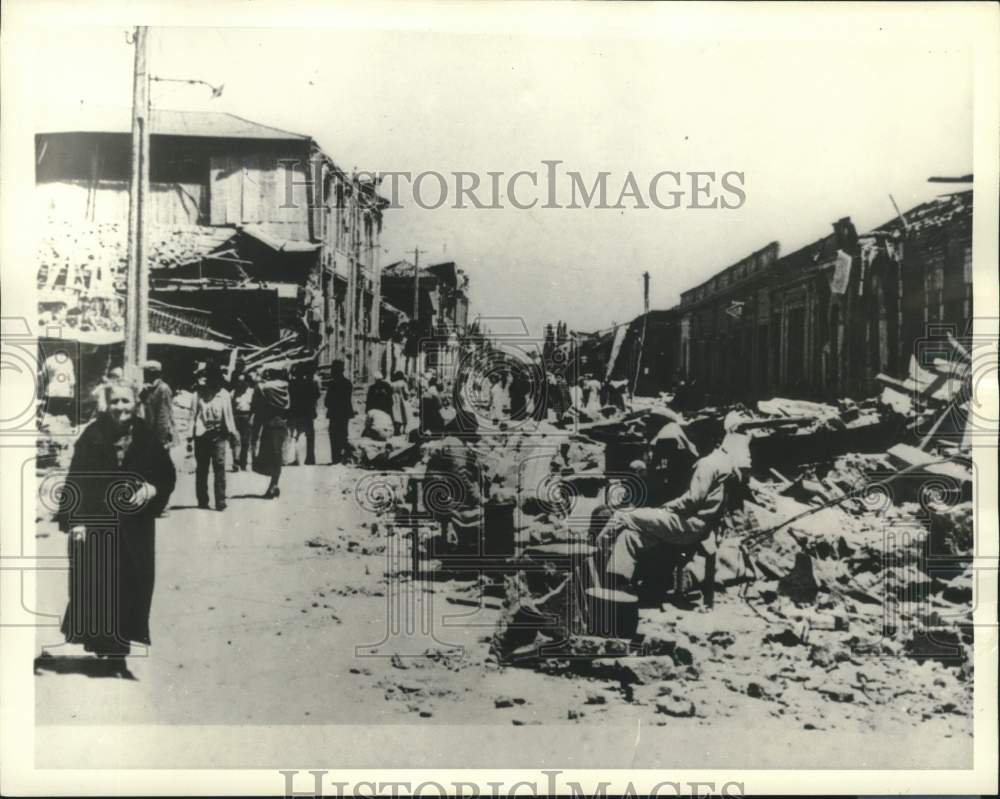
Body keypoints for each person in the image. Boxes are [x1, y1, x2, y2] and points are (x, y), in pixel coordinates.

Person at [56, 379, 176, 676]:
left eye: (125, 401)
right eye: (115, 401)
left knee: (131, 583)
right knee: (98, 584)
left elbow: (166, 474)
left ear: (135, 403)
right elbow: (76, 481)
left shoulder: (147, 436)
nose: (120, 407)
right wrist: (76, 521)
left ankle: (117, 648)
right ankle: (105, 645)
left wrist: (151, 489)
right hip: (98, 523)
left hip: (135, 526)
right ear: (106, 405)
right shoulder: (92, 435)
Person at [597, 432, 753, 608]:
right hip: (699, 526)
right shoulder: (726, 464)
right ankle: (620, 584)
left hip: (688, 525)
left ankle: (596, 553)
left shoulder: (708, 464)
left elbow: (692, 500)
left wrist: (667, 507)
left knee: (623, 515)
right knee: (630, 535)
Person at [190, 364, 237, 512]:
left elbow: (229, 417)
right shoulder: (197, 395)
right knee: (202, 468)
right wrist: (189, 438)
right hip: (202, 436)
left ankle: (220, 501)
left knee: (219, 467)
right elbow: (192, 417)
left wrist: (232, 434)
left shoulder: (224, 395)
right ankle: (202, 500)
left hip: (219, 435)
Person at [252, 365, 290, 498]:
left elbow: (256, 403)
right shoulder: (285, 386)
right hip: (282, 422)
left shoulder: (266, 387)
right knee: (277, 454)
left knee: (270, 455)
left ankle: (273, 486)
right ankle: (274, 484)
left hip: (269, 423)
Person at [288, 362, 321, 465]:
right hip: (307, 412)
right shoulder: (310, 384)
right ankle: (309, 458)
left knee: (293, 435)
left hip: (294, 412)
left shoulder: (291, 384)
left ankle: (294, 458)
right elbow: (317, 395)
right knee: (309, 435)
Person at [325, 359, 355, 464]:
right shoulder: (348, 383)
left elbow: (327, 401)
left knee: (333, 435)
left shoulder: (332, 384)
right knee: (343, 434)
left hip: (334, 413)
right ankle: (344, 457)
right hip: (344, 413)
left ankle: (335, 458)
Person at [140, 360, 174, 450]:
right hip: (148, 433)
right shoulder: (147, 388)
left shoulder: (163, 389)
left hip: (158, 436)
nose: (144, 375)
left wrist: (161, 441)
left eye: (146, 373)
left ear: (154, 374)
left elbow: (163, 417)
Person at [42, 348, 77, 423]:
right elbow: (71, 377)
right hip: (64, 391)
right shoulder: (68, 361)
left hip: (52, 390)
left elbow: (44, 374)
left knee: (51, 411)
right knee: (61, 411)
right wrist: (72, 388)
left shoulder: (49, 360)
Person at [232, 373, 255, 471]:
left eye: (242, 381)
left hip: (247, 417)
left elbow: (255, 407)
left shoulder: (252, 392)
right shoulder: (233, 393)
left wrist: (252, 418)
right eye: (239, 381)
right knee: (236, 440)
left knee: (245, 441)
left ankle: (243, 463)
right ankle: (235, 462)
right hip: (236, 417)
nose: (240, 383)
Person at [389, 370, 411, 436]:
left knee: (395, 414)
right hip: (401, 400)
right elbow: (406, 393)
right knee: (404, 414)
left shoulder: (392, 384)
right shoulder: (403, 383)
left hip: (393, 400)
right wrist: (408, 397)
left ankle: (396, 429)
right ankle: (404, 429)